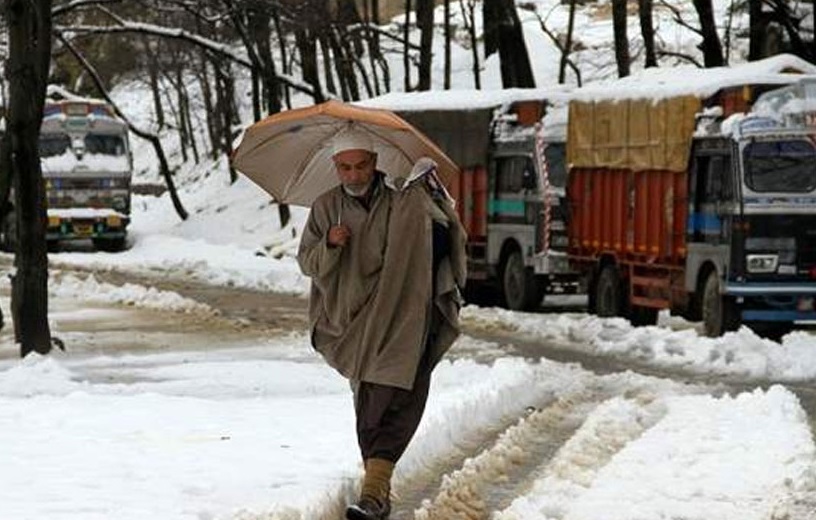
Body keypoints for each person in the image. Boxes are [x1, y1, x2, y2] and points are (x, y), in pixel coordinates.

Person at [297, 126, 466, 520]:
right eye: (344, 168)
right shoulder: (326, 208)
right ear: (335, 168)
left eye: (360, 166)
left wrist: (435, 204)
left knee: (396, 395)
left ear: (374, 163)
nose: (353, 175)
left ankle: (374, 495)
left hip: (401, 317)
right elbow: (308, 264)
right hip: (349, 324)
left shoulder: (401, 203)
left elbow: (438, 241)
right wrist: (331, 245)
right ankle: (376, 493)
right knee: (370, 402)